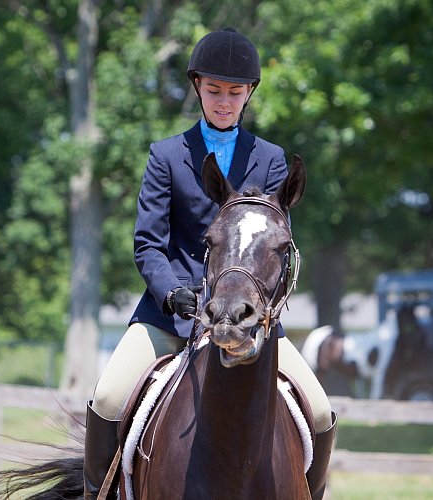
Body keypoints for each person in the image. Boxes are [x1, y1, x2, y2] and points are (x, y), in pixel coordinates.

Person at [83, 27, 336, 499]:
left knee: (319, 413)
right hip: (171, 316)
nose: (224, 101)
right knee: (108, 398)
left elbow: (275, 244)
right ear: (197, 87)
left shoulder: (271, 160)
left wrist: (257, 306)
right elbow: (148, 245)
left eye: (234, 92)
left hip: (250, 315)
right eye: (214, 90)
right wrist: (176, 294)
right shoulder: (166, 157)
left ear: (249, 94)